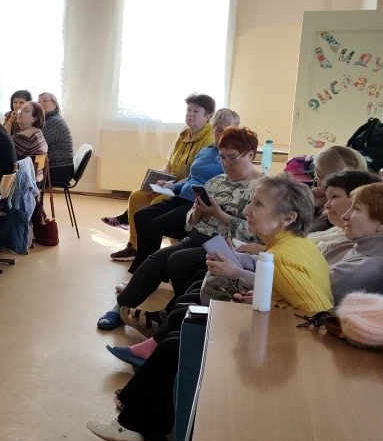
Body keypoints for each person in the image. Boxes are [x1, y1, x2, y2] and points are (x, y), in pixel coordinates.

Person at [88, 176, 333, 441]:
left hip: (281, 351)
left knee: (175, 345)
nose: (246, 210)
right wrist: (268, 299)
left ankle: (138, 427)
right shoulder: (293, 247)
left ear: (288, 218)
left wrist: (273, 305)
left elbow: (320, 315)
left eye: (258, 205)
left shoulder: (284, 258)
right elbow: (294, 299)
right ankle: (146, 426)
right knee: (183, 323)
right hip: (275, 336)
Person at [96, 126, 262, 331]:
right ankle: (119, 308)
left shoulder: (261, 188)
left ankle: (173, 320)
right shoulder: (216, 181)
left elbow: (259, 233)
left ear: (250, 154)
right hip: (197, 239)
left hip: (228, 248)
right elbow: (188, 222)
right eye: (222, 157)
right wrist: (198, 212)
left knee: (178, 261)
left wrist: (220, 215)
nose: (226, 164)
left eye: (232, 158)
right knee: (155, 260)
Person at [105, 94, 216, 260]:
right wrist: (157, 180)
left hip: (184, 189)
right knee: (136, 196)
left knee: (157, 203)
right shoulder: (185, 133)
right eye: (188, 110)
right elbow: (170, 164)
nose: (190, 114)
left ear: (208, 116)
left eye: (196, 111)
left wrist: (169, 186)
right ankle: (134, 246)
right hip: (170, 182)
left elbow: (194, 175)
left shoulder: (209, 139)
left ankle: (157, 253)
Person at [128, 108, 238, 270]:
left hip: (197, 204)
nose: (222, 135)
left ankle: (144, 269)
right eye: (219, 129)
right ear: (213, 128)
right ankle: (146, 268)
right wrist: (173, 186)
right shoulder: (206, 151)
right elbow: (191, 177)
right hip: (181, 197)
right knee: (142, 216)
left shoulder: (230, 157)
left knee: (154, 225)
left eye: (228, 131)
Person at [37, 92, 74, 185]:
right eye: (39, 102)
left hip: (59, 170)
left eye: (45, 101)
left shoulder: (54, 121)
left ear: (54, 103)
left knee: (22, 174)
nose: (41, 104)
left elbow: (37, 144)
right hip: (59, 168)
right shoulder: (50, 119)